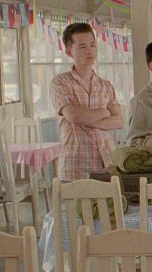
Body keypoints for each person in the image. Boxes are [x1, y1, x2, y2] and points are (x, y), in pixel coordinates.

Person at [50, 22, 124, 182]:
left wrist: (87, 120)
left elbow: (119, 121)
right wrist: (104, 112)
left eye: (92, 45)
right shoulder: (60, 82)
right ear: (69, 51)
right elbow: (73, 116)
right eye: (82, 46)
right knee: (76, 200)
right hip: (76, 162)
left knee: (113, 198)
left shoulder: (105, 85)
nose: (89, 51)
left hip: (107, 160)